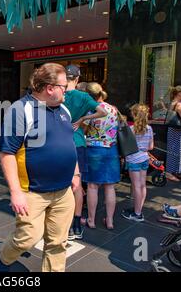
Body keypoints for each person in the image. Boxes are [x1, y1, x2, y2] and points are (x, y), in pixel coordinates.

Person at [0, 63, 78, 272]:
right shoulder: (21, 110)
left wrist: (76, 172)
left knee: (58, 242)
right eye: (64, 87)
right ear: (50, 88)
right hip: (32, 192)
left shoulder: (64, 110)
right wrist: (16, 192)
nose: (67, 91)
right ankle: (3, 256)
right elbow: (7, 153)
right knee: (27, 239)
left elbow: (69, 143)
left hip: (63, 191)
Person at [63, 65, 107, 240]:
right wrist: (83, 118)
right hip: (77, 142)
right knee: (77, 186)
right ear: (77, 79)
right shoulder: (83, 96)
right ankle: (75, 224)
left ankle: (62, 222)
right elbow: (102, 111)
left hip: (59, 143)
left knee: (63, 184)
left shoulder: (58, 95)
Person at [83, 83, 120, 230]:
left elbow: (83, 128)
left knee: (93, 186)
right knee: (110, 187)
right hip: (111, 150)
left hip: (94, 150)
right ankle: (110, 221)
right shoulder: (112, 109)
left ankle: (91, 220)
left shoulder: (91, 110)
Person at [121, 104, 154, 222]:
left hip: (133, 160)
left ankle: (137, 213)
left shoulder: (131, 129)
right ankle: (138, 209)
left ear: (134, 115)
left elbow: (126, 146)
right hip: (145, 158)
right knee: (142, 185)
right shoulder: (149, 128)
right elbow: (151, 147)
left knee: (136, 186)